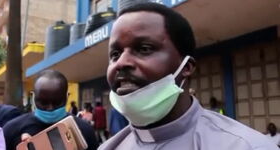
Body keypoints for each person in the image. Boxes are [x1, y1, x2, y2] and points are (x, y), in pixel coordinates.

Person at [98, 2, 278, 150]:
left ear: (186, 67)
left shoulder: (246, 146)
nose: (121, 62)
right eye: (115, 54)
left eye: (144, 49)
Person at [3, 70, 99, 150]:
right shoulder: (11, 130)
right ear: (33, 97)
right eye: (43, 102)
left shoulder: (84, 130)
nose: (50, 108)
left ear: (67, 97)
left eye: (57, 102)